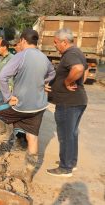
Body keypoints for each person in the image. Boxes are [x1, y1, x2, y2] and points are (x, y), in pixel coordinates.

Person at [0, 29, 55, 182]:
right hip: (39, 106)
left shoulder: (20, 56)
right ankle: (28, 174)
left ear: (23, 40)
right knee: (33, 137)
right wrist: (44, 84)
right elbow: (52, 74)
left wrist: (8, 98)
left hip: (20, 105)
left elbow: (2, 77)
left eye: (19, 42)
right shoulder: (44, 58)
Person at [46, 28, 88, 177]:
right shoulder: (77, 52)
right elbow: (85, 71)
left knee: (65, 134)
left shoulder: (71, 54)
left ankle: (65, 168)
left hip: (68, 102)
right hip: (76, 100)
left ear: (64, 42)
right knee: (72, 133)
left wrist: (67, 82)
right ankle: (71, 162)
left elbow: (79, 68)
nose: (55, 46)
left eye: (56, 43)